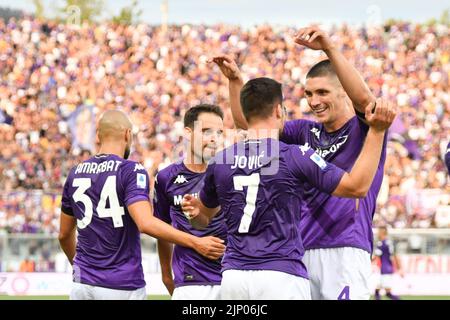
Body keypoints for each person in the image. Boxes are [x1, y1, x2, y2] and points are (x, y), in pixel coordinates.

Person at [211, 26, 389, 300]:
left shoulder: (364, 128)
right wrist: (236, 82)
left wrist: (329, 48)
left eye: (322, 92)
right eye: (308, 94)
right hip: (299, 252)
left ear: (344, 91)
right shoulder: (303, 132)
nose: (314, 101)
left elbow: (367, 102)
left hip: (344, 249)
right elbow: (251, 125)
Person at [182, 77, 396, 300]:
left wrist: (194, 212)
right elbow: (356, 187)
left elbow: (200, 219)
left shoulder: (221, 161)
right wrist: (378, 131)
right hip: (280, 274)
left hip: (233, 277)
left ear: (245, 114)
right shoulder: (294, 155)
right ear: (278, 110)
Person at [58, 110, 225, 300]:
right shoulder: (131, 170)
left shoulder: (75, 173)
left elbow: (64, 235)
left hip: (82, 284)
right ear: (127, 134)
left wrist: (81, 270)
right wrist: (196, 242)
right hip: (121, 283)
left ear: (97, 135)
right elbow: (146, 223)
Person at [154, 104, 227, 300]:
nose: (214, 138)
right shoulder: (166, 177)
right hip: (191, 283)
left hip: (232, 279)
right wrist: (166, 276)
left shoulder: (231, 172)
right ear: (188, 132)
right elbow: (161, 229)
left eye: (219, 132)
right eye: (206, 131)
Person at [373, 226, 403, 300]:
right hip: (389, 268)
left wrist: (366, 262)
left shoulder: (381, 244)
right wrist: (399, 268)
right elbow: (395, 256)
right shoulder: (390, 242)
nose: (377, 234)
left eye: (379, 232)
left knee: (387, 293)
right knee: (377, 289)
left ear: (382, 232)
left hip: (384, 269)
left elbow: (376, 257)